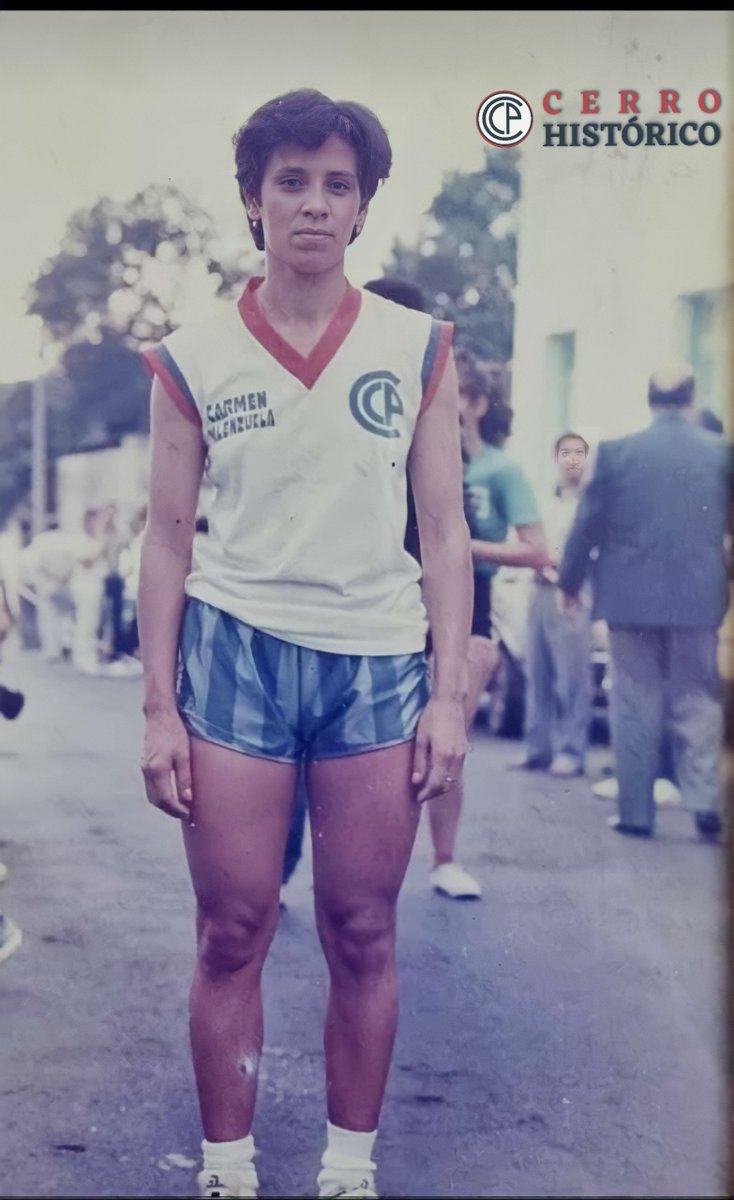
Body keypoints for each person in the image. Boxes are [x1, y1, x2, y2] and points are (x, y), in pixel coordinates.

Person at [138, 88, 472, 1200]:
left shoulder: (416, 346)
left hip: (374, 662)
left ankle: (345, 1167)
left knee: (361, 928)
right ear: (253, 199)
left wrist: (448, 698)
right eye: (292, 182)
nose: (314, 205)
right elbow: (169, 543)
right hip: (233, 656)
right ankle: (226, 1168)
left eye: (337, 185)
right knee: (232, 924)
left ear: (363, 207)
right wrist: (154, 708)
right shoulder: (191, 357)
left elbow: (441, 530)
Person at [559, 364, 732, 840]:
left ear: (650, 398)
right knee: (698, 697)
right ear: (691, 398)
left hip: (628, 600)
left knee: (635, 701)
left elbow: (587, 523)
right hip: (699, 598)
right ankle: (705, 803)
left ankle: (636, 813)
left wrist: (569, 581)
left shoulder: (617, 453)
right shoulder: (721, 454)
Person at [510, 431, 593, 778]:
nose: (572, 460)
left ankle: (571, 751)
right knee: (537, 670)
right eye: (565, 453)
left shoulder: (589, 503)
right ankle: (537, 748)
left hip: (571, 593)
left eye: (579, 454)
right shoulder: (542, 500)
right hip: (538, 589)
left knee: (571, 677)